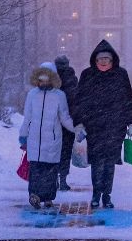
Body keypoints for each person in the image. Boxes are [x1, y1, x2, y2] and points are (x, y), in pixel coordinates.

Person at [73, 40, 132, 209]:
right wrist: (79, 122)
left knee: (109, 163)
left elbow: (128, 99)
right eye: (100, 58)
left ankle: (106, 195)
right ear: (95, 60)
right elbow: (79, 100)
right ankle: (96, 194)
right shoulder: (88, 75)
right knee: (96, 162)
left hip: (115, 127)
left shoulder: (120, 74)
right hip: (94, 126)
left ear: (112, 60)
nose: (103, 61)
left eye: (106, 58)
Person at [19, 62, 85, 209]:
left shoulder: (59, 96)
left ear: (53, 79)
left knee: (50, 171)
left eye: (46, 79)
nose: (43, 82)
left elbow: (64, 117)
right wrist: (23, 134)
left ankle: (48, 198)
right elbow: (27, 117)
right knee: (35, 170)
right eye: (41, 79)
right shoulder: (32, 95)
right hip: (34, 140)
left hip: (52, 140)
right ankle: (34, 195)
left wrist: (77, 128)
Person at [54, 55, 79, 191]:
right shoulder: (72, 78)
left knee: (53, 152)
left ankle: (53, 179)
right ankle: (63, 179)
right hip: (69, 121)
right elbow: (76, 100)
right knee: (65, 151)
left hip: (52, 121)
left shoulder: (51, 79)